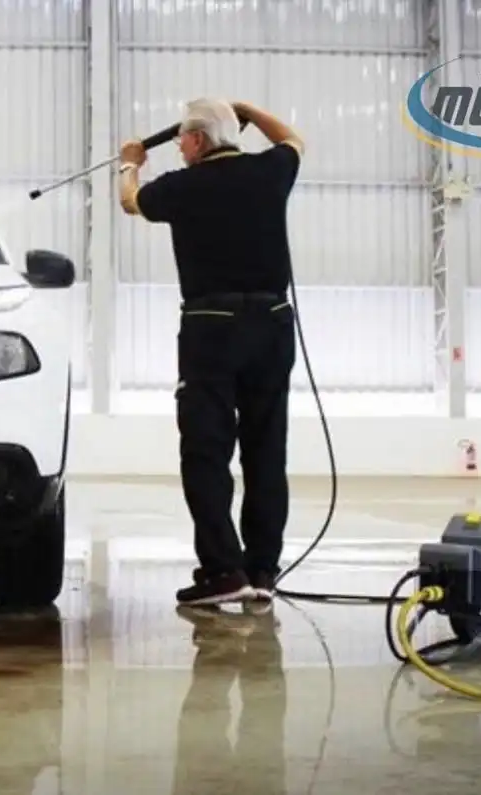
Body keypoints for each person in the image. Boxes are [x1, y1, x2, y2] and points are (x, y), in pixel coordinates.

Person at [118, 98, 304, 606]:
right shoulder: (270, 171)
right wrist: (249, 110)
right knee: (267, 450)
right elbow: (293, 140)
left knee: (206, 450)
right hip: (273, 323)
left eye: (183, 138)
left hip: (211, 326)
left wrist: (131, 162)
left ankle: (223, 571)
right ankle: (262, 571)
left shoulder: (182, 186)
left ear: (199, 139)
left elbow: (130, 202)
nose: (179, 146)